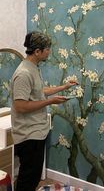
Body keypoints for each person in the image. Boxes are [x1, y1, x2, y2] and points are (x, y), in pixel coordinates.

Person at [11, 31, 77, 191]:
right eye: (47, 49)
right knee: (28, 179)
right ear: (37, 51)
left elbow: (39, 91)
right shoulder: (23, 73)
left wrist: (63, 87)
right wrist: (51, 101)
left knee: (32, 178)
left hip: (37, 131)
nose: (49, 52)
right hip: (28, 135)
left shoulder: (33, 68)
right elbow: (20, 106)